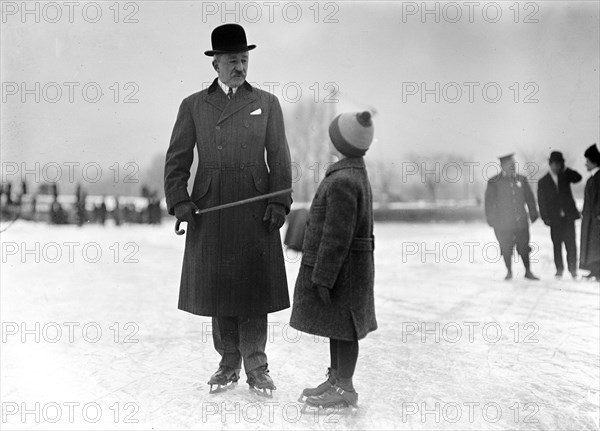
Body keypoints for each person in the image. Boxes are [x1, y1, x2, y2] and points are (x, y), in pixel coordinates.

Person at [164, 24, 292, 395]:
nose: (240, 66)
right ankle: (227, 362)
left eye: (244, 59)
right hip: (212, 205)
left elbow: (280, 158)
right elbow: (177, 160)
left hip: (254, 204)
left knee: (254, 286)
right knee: (219, 287)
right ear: (216, 64)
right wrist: (180, 199)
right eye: (233, 60)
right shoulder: (193, 106)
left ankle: (257, 365)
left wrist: (279, 201)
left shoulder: (267, 103)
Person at [290, 111, 377, 411]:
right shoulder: (352, 174)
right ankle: (337, 378)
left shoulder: (343, 180)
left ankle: (345, 387)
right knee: (337, 325)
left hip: (343, 270)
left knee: (345, 327)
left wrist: (324, 276)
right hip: (350, 269)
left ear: (341, 143)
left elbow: (336, 236)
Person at [485, 153, 540, 280]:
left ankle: (528, 271)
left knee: (524, 247)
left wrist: (533, 213)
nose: (513, 167)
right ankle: (509, 271)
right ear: (502, 166)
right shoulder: (494, 182)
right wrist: (491, 220)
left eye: (514, 165)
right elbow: (489, 203)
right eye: (510, 165)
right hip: (503, 224)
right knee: (506, 248)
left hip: (521, 222)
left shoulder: (522, 179)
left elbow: (530, 198)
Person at [537, 151, 582, 279]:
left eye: (559, 164)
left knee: (571, 245)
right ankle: (559, 270)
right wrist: (545, 217)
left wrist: (566, 169)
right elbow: (541, 202)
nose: (557, 167)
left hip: (568, 218)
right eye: (555, 164)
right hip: (554, 219)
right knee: (557, 245)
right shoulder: (543, 181)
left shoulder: (565, 175)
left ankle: (573, 270)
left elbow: (578, 178)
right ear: (550, 164)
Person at [580, 144, 600, 281]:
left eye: (587, 161)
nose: (585, 164)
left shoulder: (599, 178)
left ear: (594, 162)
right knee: (591, 244)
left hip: (597, 219)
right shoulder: (592, 179)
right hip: (590, 218)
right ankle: (594, 270)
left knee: (597, 245)